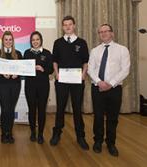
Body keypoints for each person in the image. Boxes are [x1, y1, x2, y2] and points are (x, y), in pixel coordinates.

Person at [88, 24, 130, 156]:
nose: (103, 34)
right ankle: (98, 141)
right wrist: (100, 82)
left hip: (114, 89)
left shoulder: (122, 50)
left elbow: (125, 70)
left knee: (113, 117)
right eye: (101, 32)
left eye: (106, 31)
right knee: (98, 116)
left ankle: (111, 143)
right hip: (97, 88)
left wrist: (110, 84)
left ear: (112, 33)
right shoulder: (95, 51)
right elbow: (90, 69)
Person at [49, 16, 90, 150]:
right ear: (62, 27)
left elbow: (85, 61)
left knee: (77, 109)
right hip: (61, 81)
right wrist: (57, 73)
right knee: (60, 108)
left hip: (77, 81)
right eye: (65, 25)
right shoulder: (58, 43)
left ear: (74, 26)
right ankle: (57, 133)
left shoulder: (82, 43)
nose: (67, 27)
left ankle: (80, 136)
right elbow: (54, 60)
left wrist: (84, 75)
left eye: (70, 24)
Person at [24, 31, 53, 144]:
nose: (35, 42)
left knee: (41, 110)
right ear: (31, 42)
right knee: (31, 110)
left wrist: (43, 69)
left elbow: (51, 70)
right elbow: (23, 68)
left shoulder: (47, 53)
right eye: (33, 40)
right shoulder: (27, 53)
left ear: (41, 40)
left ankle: (40, 133)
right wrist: (31, 68)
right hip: (30, 86)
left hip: (43, 86)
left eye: (37, 39)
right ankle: (32, 132)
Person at [0, 31, 22, 144]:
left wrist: (18, 74)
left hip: (15, 85)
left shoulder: (18, 54)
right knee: (5, 109)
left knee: (11, 109)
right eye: (6, 39)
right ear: (3, 41)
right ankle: (3, 133)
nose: (8, 42)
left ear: (13, 41)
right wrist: (1, 74)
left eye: (10, 39)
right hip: (2, 85)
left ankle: (9, 133)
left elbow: (23, 69)